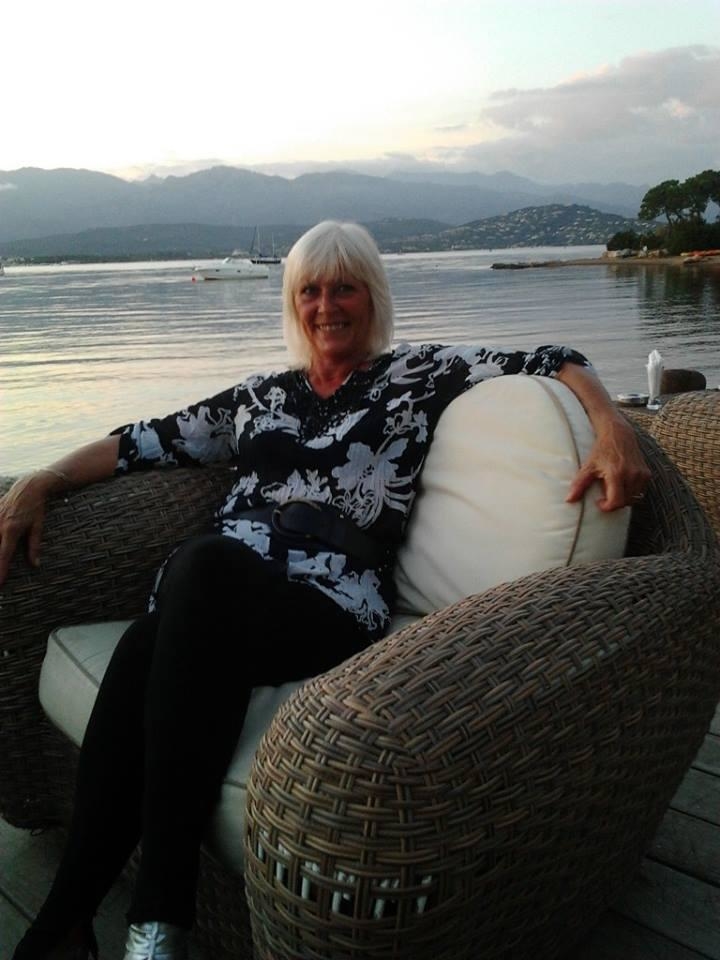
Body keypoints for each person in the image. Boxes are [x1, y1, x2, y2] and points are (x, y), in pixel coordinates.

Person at [2, 221, 650, 960]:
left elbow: (553, 358)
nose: (326, 305)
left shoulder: (415, 378)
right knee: (159, 635)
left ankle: (111, 920)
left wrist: (612, 426)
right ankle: (119, 930)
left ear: (373, 297)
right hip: (211, 602)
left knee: (193, 583)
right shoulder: (258, 396)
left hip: (330, 602)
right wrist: (42, 478)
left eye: (344, 288)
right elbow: (140, 442)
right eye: (309, 290)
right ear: (292, 302)